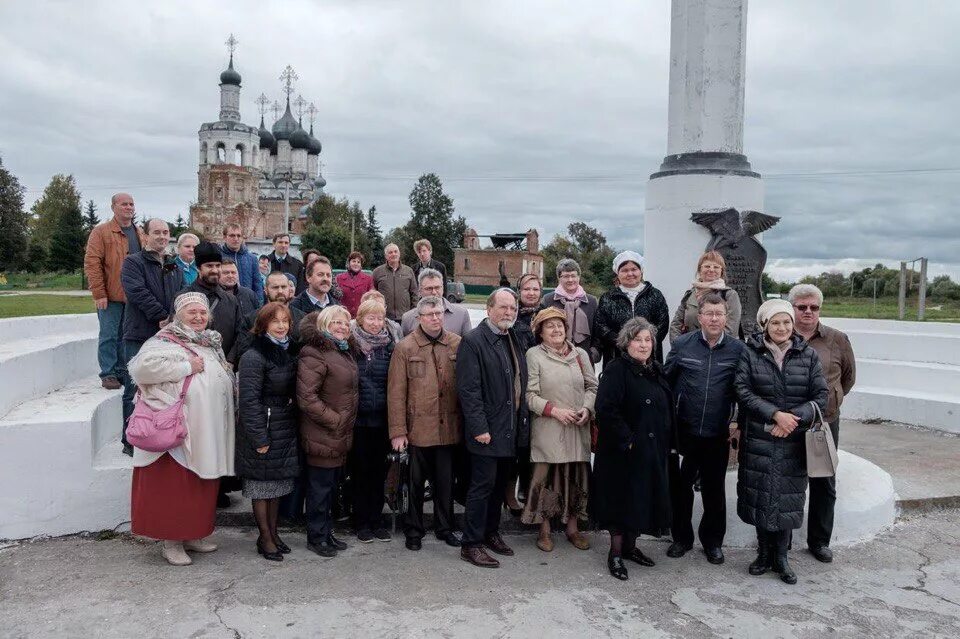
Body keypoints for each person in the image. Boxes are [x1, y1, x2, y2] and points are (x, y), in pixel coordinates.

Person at [128, 292, 235, 566]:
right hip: (178, 430)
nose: (198, 317)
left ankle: (193, 534)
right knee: (175, 487)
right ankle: (171, 542)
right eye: (192, 313)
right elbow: (141, 370)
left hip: (206, 429)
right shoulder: (164, 340)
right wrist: (187, 366)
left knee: (200, 483)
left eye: (202, 313)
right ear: (178, 316)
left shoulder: (209, 342)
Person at [735, 299, 828, 585]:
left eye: (786, 322)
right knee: (762, 494)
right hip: (761, 435)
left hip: (793, 439)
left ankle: (782, 557)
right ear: (765, 325)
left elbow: (820, 396)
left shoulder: (807, 355)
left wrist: (792, 419)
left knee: (788, 497)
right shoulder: (750, 353)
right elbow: (742, 390)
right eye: (775, 322)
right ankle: (763, 554)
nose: (782, 327)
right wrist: (775, 415)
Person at [591, 317, 676, 581]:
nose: (643, 344)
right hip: (622, 452)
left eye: (648, 339)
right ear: (626, 343)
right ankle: (615, 554)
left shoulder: (656, 370)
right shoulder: (617, 370)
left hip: (651, 451)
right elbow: (606, 409)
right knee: (620, 501)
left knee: (640, 501)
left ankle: (630, 548)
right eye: (637, 339)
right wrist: (628, 440)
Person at [665, 293, 745, 564]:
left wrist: (736, 423)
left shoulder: (738, 350)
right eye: (708, 314)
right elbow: (667, 381)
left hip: (717, 432)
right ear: (699, 318)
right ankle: (681, 538)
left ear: (726, 317)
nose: (713, 318)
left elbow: (743, 391)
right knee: (681, 488)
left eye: (719, 314)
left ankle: (712, 542)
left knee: (714, 490)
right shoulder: (683, 345)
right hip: (685, 431)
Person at [456, 288, 530, 568]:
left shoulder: (511, 337)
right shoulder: (474, 341)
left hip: (509, 430)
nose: (508, 312)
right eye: (503, 307)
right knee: (481, 488)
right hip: (486, 431)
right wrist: (479, 427)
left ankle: (490, 532)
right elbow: (468, 390)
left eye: (512, 308)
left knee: (499, 487)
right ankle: (471, 543)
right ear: (489, 309)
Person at [388, 296, 464, 551]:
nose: (435, 318)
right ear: (419, 318)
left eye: (439, 313)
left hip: (449, 428)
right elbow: (396, 393)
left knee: (445, 484)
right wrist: (398, 431)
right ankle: (414, 529)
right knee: (415, 485)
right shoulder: (406, 348)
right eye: (430, 314)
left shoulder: (456, 344)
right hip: (417, 429)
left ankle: (445, 527)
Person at [789, 283, 856, 564]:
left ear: (820, 309)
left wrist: (832, 400)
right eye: (802, 307)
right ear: (792, 308)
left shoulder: (837, 339)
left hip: (823, 421)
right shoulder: (782, 334)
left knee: (823, 481)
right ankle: (782, 540)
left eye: (813, 307)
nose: (808, 312)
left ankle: (819, 541)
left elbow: (848, 378)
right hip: (790, 420)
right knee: (788, 481)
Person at [522, 308, 597, 552]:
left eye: (560, 325)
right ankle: (544, 531)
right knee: (547, 481)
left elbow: (592, 387)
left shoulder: (580, 354)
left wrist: (587, 409)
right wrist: (554, 411)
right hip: (549, 428)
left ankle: (572, 529)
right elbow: (529, 395)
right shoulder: (534, 355)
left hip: (577, 427)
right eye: (550, 326)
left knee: (575, 479)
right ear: (540, 332)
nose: (556, 330)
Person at [237, 302, 301, 562]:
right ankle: (264, 538)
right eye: (275, 321)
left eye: (285, 321)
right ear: (263, 324)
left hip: (282, 425)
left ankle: (273, 533)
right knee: (261, 488)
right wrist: (259, 438)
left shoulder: (287, 351)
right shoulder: (254, 356)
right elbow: (248, 401)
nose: (282, 326)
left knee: (275, 487)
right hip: (263, 427)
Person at [297, 305, 359, 558]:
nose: (343, 327)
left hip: (339, 434)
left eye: (345, 323)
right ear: (324, 325)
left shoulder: (343, 351)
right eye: (336, 323)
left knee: (330, 488)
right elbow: (307, 398)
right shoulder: (315, 353)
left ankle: (326, 532)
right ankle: (316, 537)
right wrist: (335, 421)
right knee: (319, 490)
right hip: (323, 433)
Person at [120, 218, 183, 456]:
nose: (162, 236)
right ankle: (130, 439)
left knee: (163, 386)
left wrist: (173, 317)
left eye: (166, 232)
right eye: (156, 232)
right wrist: (161, 316)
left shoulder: (172, 264)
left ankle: (157, 434)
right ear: (145, 236)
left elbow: (179, 295)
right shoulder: (133, 263)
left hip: (166, 336)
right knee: (133, 387)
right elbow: (137, 292)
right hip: (140, 333)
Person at [84, 192, 143, 391]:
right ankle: (108, 373)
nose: (128, 207)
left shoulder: (140, 232)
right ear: (113, 207)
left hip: (133, 296)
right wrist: (99, 293)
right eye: (124, 204)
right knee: (109, 335)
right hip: (110, 295)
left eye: (131, 204)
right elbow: (92, 263)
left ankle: (122, 371)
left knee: (126, 336)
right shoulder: (100, 232)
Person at [348, 298, 395, 543]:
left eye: (379, 318)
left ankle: (376, 520)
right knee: (360, 473)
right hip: (359, 421)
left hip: (382, 421)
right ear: (360, 319)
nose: (376, 324)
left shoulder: (389, 345)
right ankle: (361, 521)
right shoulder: (351, 344)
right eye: (370, 318)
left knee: (379, 474)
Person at [593, 251, 670, 365]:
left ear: (641, 271)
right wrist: (624, 343)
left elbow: (662, 324)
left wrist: (644, 343)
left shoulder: (655, 295)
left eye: (634, 269)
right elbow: (601, 326)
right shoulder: (608, 298)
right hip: (616, 355)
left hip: (649, 357)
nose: (630, 273)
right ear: (617, 273)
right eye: (624, 270)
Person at [182, 242, 243, 366]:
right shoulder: (183, 298)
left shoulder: (231, 300)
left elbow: (240, 333)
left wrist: (230, 360)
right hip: (195, 369)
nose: (215, 270)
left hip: (225, 366)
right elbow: (177, 334)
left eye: (218, 265)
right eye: (209, 266)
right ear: (199, 268)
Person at [669, 251, 743, 341]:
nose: (711, 270)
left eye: (716, 267)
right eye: (707, 266)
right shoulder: (690, 294)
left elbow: (730, 330)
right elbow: (676, 325)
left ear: (721, 271)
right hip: (688, 351)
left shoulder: (729, 295)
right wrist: (679, 347)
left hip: (719, 352)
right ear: (700, 270)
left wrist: (704, 348)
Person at [539, 258, 600, 363]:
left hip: (584, 358)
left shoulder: (591, 301)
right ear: (559, 278)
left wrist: (593, 354)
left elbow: (597, 332)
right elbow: (541, 329)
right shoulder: (548, 300)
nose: (570, 280)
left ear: (579, 277)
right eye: (566, 276)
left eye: (573, 275)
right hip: (553, 358)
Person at [235, 271, 307, 359]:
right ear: (265, 290)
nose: (280, 291)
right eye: (275, 287)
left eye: (283, 287)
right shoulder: (251, 319)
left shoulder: (303, 318)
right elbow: (243, 351)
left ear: (289, 289)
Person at [400, 268, 471, 336]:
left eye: (437, 288)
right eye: (429, 288)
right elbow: (404, 346)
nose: (434, 292)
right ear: (420, 291)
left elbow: (468, 346)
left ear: (443, 288)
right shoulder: (408, 318)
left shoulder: (461, 315)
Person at [372, 243, 418, 322]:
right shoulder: (377, 272)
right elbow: (373, 293)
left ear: (399, 254)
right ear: (386, 256)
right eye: (390, 252)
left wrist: (413, 312)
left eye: (395, 251)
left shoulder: (408, 271)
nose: (393, 254)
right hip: (384, 317)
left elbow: (414, 293)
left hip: (405, 317)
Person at [219, 223, 264, 303]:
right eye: (232, 235)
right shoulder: (218, 257)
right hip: (224, 302)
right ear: (225, 237)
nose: (236, 239)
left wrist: (259, 303)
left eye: (239, 236)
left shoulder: (252, 258)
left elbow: (257, 283)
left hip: (246, 302)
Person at [336, 251, 374, 318]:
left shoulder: (368, 279)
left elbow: (371, 298)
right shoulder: (339, 278)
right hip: (343, 315)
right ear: (349, 263)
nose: (356, 264)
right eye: (354, 261)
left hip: (361, 316)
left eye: (358, 262)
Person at [513, 273, 543, 351]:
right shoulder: (511, 314)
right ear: (519, 291)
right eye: (526, 289)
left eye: (535, 289)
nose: (531, 293)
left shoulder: (546, 314)